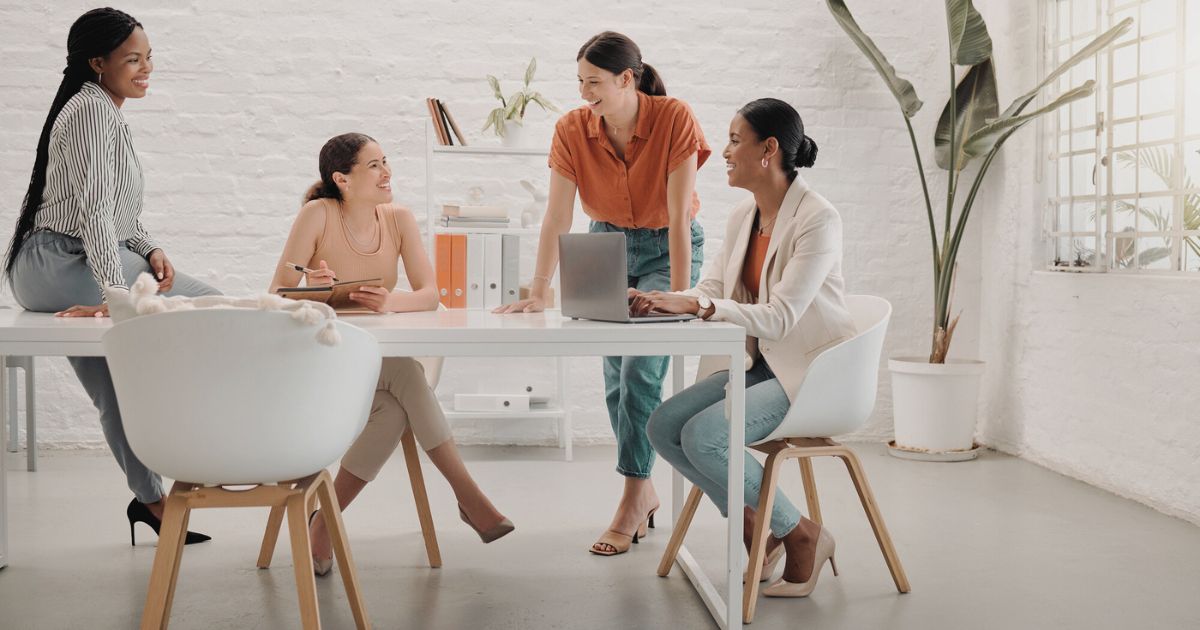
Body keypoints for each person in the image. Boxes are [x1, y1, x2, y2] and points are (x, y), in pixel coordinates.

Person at [5, 8, 220, 545]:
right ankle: (221, 447)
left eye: (149, 58)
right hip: (58, 261)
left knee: (112, 385)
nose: (146, 68)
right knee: (214, 304)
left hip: (55, 262)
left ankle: (150, 502)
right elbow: (96, 218)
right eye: (132, 59)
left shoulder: (97, 110)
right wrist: (116, 293)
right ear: (97, 62)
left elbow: (114, 214)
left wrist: (149, 248)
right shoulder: (92, 113)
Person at [495, 31, 710, 557]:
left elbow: (680, 217)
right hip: (605, 246)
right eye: (580, 82)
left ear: (626, 78)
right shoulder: (572, 128)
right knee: (616, 375)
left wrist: (680, 295)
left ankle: (633, 495)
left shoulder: (673, 116)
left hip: (666, 249)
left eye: (594, 82)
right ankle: (645, 488)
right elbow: (558, 215)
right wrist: (540, 288)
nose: (584, 92)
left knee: (642, 367)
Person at [637, 98, 856, 597]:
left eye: (736, 140)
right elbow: (712, 289)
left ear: (769, 150)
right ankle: (760, 527)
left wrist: (705, 309)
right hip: (759, 364)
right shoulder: (743, 215)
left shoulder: (818, 220)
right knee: (664, 426)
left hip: (808, 372)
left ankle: (800, 533)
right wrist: (671, 301)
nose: (725, 152)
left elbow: (780, 318)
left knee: (707, 437)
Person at [271, 133, 513, 576]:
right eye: (375, 166)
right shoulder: (317, 215)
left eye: (386, 162)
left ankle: (322, 527)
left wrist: (389, 302)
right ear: (342, 179)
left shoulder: (398, 218)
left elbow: (429, 294)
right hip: (325, 359)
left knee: (394, 407)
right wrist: (317, 288)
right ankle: (468, 497)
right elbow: (278, 296)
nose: (388, 173)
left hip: (377, 361)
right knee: (406, 374)